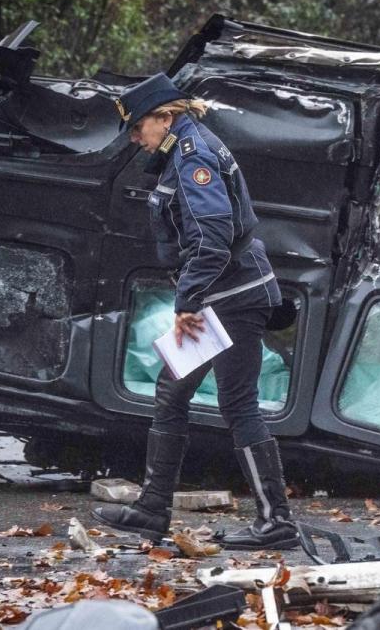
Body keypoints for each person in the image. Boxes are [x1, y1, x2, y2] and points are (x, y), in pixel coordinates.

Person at [92, 73, 297, 550]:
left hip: (231, 297)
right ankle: (152, 510)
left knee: (236, 402)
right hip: (221, 296)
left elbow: (213, 237)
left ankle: (275, 521)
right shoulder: (183, 148)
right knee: (172, 391)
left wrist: (186, 303)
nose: (135, 139)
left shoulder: (193, 157)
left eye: (139, 128)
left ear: (166, 117)